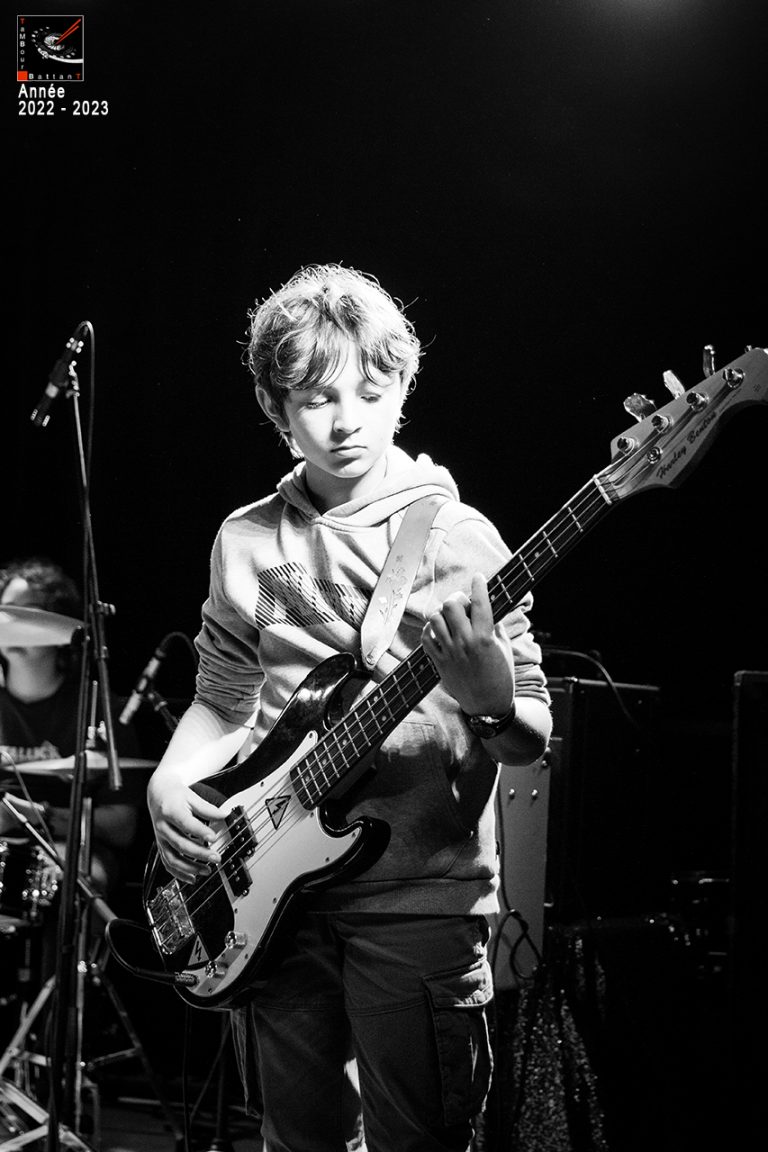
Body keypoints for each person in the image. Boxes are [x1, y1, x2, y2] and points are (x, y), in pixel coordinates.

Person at [146, 264, 552, 1152]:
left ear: (403, 388)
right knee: (296, 1139)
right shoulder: (245, 537)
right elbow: (222, 696)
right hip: (269, 896)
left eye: (371, 393)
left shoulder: (456, 537)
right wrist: (172, 779)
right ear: (274, 405)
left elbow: (528, 735)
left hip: (417, 898)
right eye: (317, 399)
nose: (346, 422)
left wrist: (490, 705)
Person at [0, 556, 145, 912]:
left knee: (79, 882)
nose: (12, 622)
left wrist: (35, 816)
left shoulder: (98, 709)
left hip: (73, 850)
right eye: (5, 611)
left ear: (59, 627)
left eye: (28, 612)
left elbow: (122, 826)